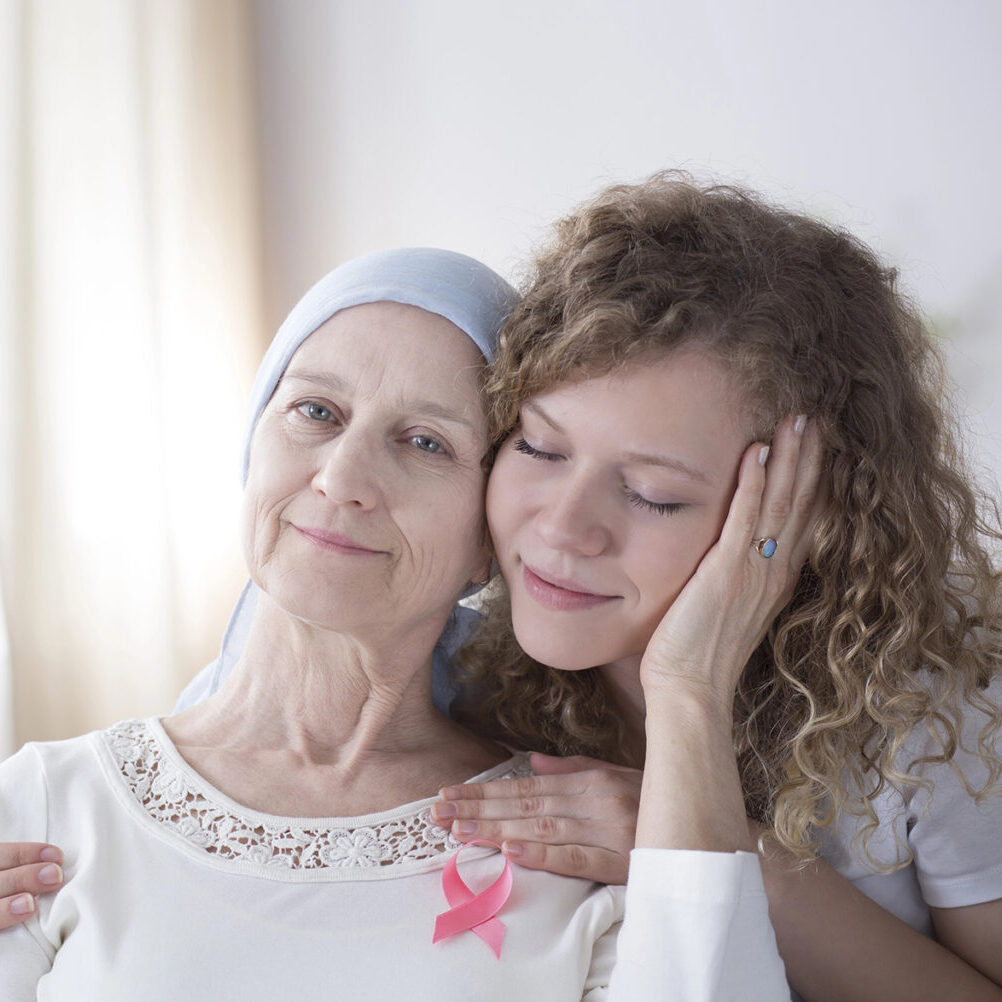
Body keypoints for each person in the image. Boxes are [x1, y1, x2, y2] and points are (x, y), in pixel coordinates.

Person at [0, 245, 793, 1000]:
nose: (343, 478)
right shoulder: (46, 808)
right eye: (315, 410)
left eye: (424, 442)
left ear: (489, 539)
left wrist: (690, 686)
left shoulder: (575, 842)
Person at [432, 176, 1002, 1001]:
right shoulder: (463, 679)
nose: (561, 529)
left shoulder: (938, 711)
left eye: (652, 494)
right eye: (540, 450)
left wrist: (721, 850)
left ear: (809, 515)